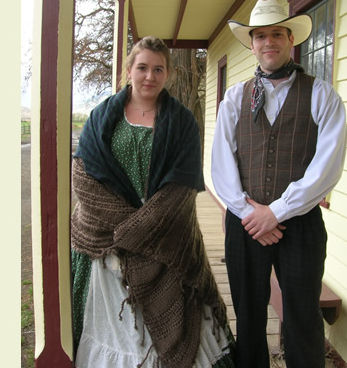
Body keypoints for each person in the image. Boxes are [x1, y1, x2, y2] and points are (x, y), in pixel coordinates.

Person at [70, 36, 236, 368]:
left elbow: (182, 187)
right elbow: (83, 176)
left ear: (168, 74)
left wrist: (145, 228)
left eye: (158, 69)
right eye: (142, 67)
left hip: (166, 236)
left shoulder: (183, 122)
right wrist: (124, 229)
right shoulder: (102, 117)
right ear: (129, 70)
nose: (150, 76)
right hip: (108, 243)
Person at [211, 0, 347, 368]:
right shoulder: (235, 97)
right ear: (252, 44)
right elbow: (221, 163)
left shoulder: (321, 95)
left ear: (290, 40)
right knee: (249, 317)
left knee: (303, 318)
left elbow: (328, 165)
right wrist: (250, 213)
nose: (268, 42)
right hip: (246, 224)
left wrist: (278, 211)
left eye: (276, 34)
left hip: (300, 224)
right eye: (260, 36)